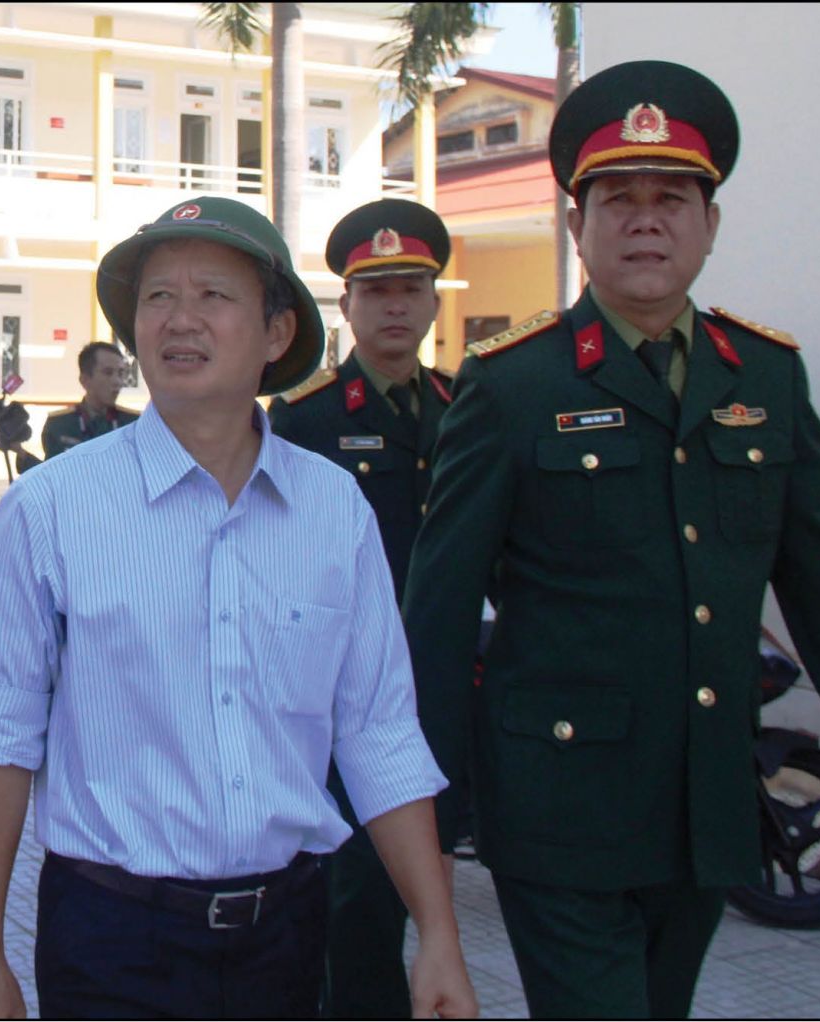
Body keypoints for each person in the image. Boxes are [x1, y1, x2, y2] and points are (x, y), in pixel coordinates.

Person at [403, 60, 820, 1018]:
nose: (645, 221)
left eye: (671, 200)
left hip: (705, 812)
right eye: (618, 200)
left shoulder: (766, 377)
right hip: (559, 816)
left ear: (711, 225)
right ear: (577, 225)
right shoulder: (514, 383)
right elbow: (439, 622)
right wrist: (430, 839)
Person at [0, 197, 477, 1020]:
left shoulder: (333, 510)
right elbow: (0, 737)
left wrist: (438, 933)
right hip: (111, 939)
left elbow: (379, 730)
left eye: (213, 296)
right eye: (158, 296)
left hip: (286, 937)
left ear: (276, 333)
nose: (179, 319)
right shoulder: (50, 509)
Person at [267, 197, 456, 1019]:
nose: (395, 307)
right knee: (358, 905)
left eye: (411, 289)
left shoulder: (463, 405)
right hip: (342, 698)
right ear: (346, 304)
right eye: (376, 291)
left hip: (442, 685)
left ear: (434, 301)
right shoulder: (307, 415)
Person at [39, 341, 139, 458]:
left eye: (121, 373)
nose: (117, 381)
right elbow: (52, 467)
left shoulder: (132, 424)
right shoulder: (60, 424)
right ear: (85, 380)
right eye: (108, 373)